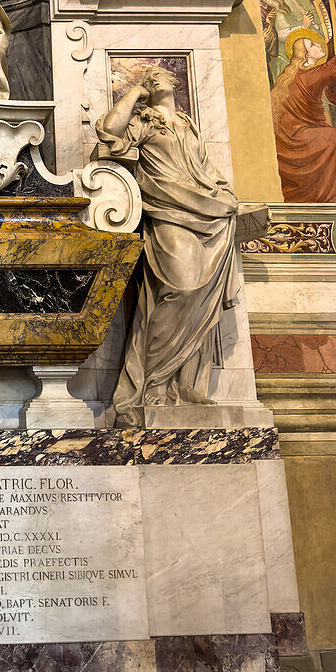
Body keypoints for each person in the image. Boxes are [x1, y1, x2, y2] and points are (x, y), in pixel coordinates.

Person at [96, 65, 239, 424]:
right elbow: (109, 133)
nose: (153, 78)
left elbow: (207, 168)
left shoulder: (189, 125)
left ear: (176, 81)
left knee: (201, 297)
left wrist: (223, 194)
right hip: (168, 211)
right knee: (182, 288)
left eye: (159, 75)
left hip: (209, 214)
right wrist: (132, 95)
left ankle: (185, 386)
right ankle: (152, 383)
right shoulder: (144, 121)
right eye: (148, 78)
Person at [271, 12, 336, 203]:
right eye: (312, 45)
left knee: (333, 135)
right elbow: (335, 64)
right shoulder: (311, 76)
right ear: (305, 54)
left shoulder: (296, 73)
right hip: (299, 136)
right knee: (334, 137)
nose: (318, 45)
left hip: (297, 133)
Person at [259, 0, 331, 83]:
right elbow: (281, 34)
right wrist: (303, 27)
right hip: (288, 63)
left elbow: (319, 27)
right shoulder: (279, 1)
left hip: (311, 60)